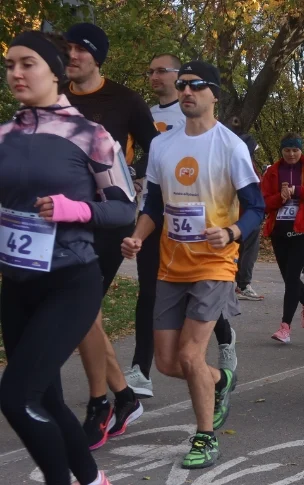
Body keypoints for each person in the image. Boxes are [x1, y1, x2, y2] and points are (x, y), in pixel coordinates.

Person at [0, 30, 137, 485]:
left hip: (70, 283)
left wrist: (73, 209)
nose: (15, 73)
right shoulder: (3, 135)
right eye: (9, 64)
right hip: (18, 285)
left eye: (27, 63)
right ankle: (93, 479)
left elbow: (123, 207)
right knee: (48, 400)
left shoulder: (89, 134)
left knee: (17, 398)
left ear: (55, 72)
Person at [121, 60, 264, 469]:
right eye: (181, 85)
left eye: (196, 85)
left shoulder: (230, 146)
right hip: (171, 265)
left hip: (215, 265)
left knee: (188, 355)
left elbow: (257, 207)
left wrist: (232, 232)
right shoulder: (163, 145)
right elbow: (153, 205)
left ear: (213, 94)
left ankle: (205, 437)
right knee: (166, 363)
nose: (186, 91)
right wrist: (138, 237)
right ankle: (220, 379)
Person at [63, 21, 158, 450]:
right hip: (63, 218)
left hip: (108, 218)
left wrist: (137, 182)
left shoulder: (124, 99)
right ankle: (122, 397)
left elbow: (157, 151)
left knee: (80, 307)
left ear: (97, 56)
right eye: (67, 49)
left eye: (80, 49)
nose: (72, 55)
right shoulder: (55, 97)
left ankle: (103, 402)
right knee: (82, 312)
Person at [125, 53, 239, 402]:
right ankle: (143, 367)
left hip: (209, 239)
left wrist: (233, 231)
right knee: (152, 298)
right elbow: (138, 162)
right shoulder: (147, 119)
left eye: (164, 71)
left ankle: (222, 336)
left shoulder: (212, 129)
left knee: (190, 347)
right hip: (160, 221)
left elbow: (251, 200)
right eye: (152, 71)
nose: (156, 77)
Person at [262, 133, 304, 343]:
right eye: (287, 150)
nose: (291, 154)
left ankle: (285, 327)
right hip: (279, 229)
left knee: (291, 278)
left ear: (301, 150)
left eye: (295, 150)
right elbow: (264, 201)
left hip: (303, 228)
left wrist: (296, 191)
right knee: (289, 277)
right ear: (282, 151)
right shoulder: (272, 172)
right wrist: (280, 197)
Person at [228, 115, 265, 301]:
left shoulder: (232, 161)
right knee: (249, 251)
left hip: (236, 216)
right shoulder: (245, 164)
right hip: (245, 217)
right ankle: (243, 284)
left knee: (239, 251)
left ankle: (235, 284)